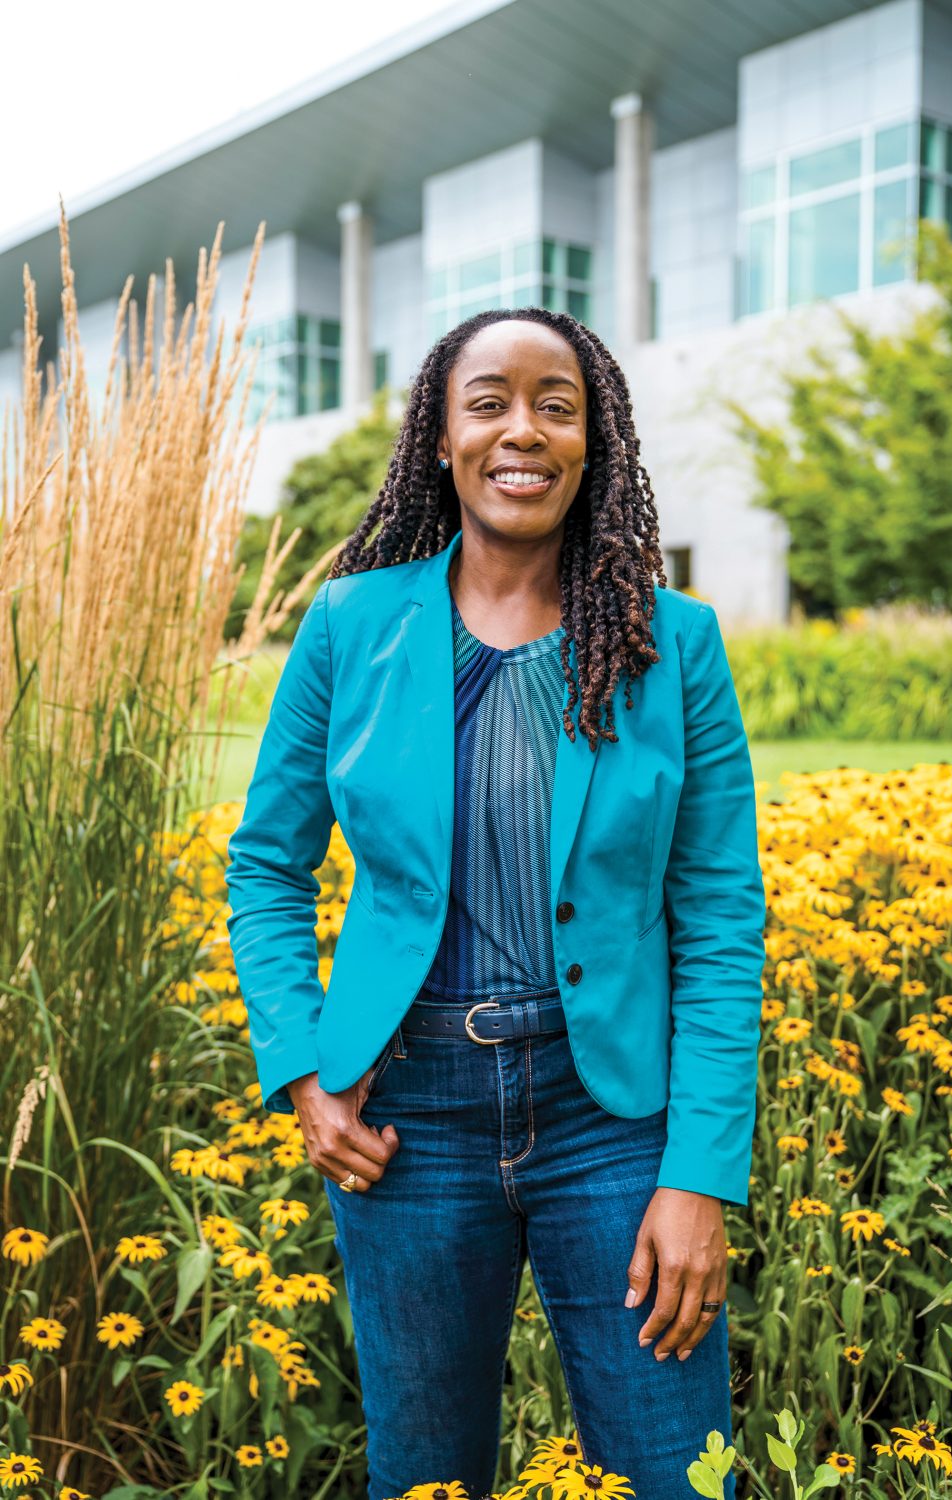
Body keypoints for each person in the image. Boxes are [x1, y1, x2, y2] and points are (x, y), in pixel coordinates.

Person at [225, 308, 767, 1500]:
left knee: (676, 1476)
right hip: (406, 1125)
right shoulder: (350, 625)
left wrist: (700, 1177)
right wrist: (303, 1071)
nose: (521, 429)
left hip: (614, 1122)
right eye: (488, 401)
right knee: (425, 1479)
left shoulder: (674, 646)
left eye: (556, 405)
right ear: (441, 435)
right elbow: (267, 864)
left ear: (594, 442)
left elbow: (722, 920)